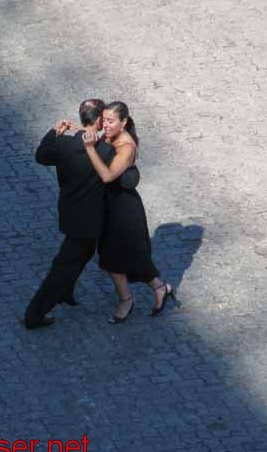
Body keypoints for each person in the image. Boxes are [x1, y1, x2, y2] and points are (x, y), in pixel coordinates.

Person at [82, 101, 176, 323]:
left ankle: (127, 300)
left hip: (124, 211)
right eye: (104, 119)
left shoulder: (126, 147)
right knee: (118, 255)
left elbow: (107, 176)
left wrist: (88, 148)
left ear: (123, 122)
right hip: (110, 206)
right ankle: (159, 288)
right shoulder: (108, 135)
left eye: (111, 121)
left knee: (117, 257)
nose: (105, 124)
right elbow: (94, 138)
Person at [24, 99, 114, 329]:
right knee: (64, 266)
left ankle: (66, 291)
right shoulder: (104, 151)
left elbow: (41, 156)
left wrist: (54, 132)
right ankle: (35, 314)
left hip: (70, 210)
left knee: (82, 254)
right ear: (100, 120)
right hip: (89, 219)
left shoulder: (62, 145)